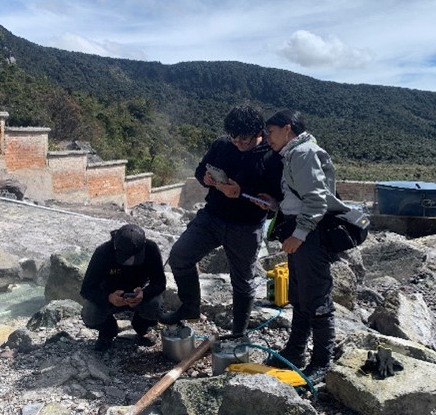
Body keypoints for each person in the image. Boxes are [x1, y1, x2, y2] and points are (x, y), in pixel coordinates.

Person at [160, 105, 284, 339]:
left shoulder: (272, 155)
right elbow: (200, 170)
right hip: (212, 217)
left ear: (259, 132)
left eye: (243, 138)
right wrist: (206, 179)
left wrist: (243, 193)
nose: (237, 141)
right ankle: (190, 307)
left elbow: (277, 197)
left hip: (246, 226)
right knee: (179, 256)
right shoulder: (222, 145)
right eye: (233, 136)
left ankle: (239, 333)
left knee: (242, 280)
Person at [255, 110, 349, 382]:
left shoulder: (303, 153)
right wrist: (274, 204)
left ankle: (322, 361)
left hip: (310, 235)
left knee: (316, 296)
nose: (267, 138)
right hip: (302, 232)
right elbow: (300, 198)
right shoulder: (294, 154)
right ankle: (295, 351)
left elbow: (317, 201)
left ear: (287, 129)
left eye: (270, 132)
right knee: (299, 293)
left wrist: (299, 233)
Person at [81, 224, 166, 352]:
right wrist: (108, 297)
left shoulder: (151, 249)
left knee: (155, 305)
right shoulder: (103, 252)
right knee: (90, 312)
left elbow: (159, 283)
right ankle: (107, 332)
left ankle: (141, 328)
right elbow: (86, 289)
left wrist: (144, 294)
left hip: (139, 296)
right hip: (109, 296)